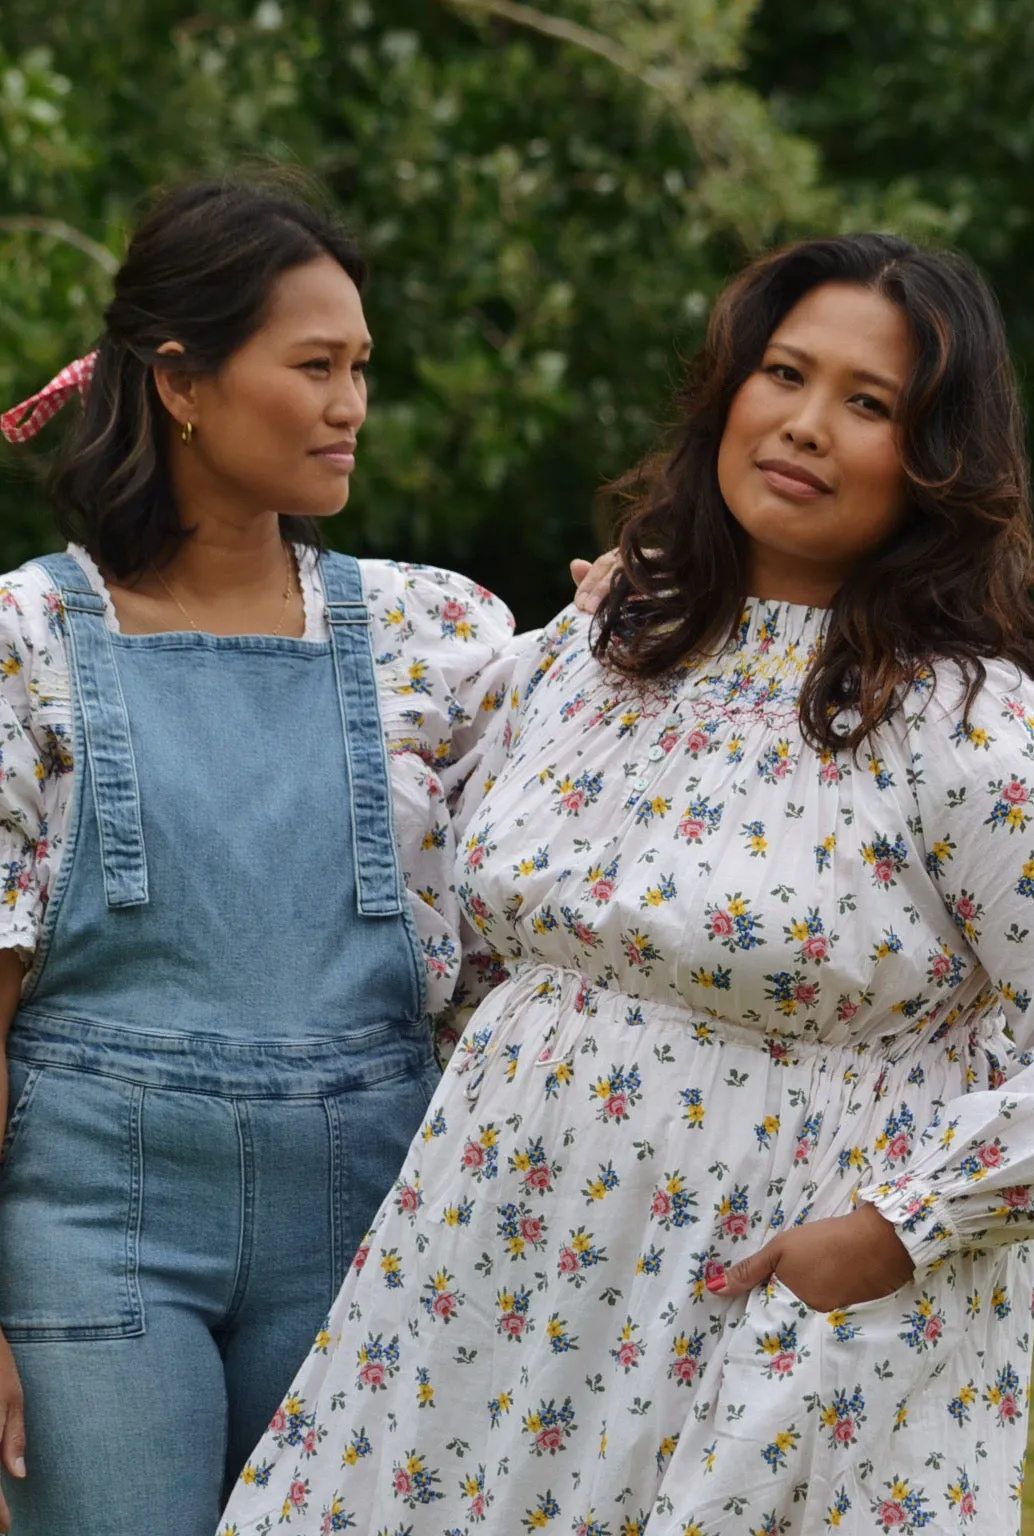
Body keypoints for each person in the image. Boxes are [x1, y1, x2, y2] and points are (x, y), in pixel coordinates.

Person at [218, 233, 1034, 1536]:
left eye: (870, 404)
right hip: (487, 1273)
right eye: (784, 373)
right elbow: (387, 783)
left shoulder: (961, 721)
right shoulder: (614, 646)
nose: (808, 425)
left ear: (936, 463)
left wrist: (898, 1227)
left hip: (757, 1318)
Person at [0, 178, 610, 1535]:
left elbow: (572, 853)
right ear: (183, 382)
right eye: (316, 366)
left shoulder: (435, 635)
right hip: (95, 1219)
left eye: (362, 370)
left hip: (375, 1209)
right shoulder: (24, 643)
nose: (352, 406)